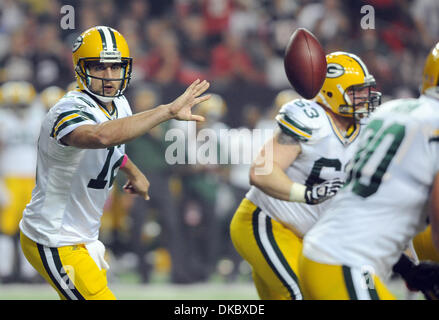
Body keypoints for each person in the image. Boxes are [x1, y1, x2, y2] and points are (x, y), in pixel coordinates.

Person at [19, 26, 210, 300]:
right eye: (99, 67)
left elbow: (112, 149)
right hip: (54, 238)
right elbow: (101, 136)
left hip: (81, 237)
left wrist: (133, 171)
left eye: (116, 67)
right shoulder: (67, 109)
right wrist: (166, 111)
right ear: (80, 69)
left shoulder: (119, 103)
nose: (109, 76)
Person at [230, 52, 381, 300]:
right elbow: (261, 171)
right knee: (303, 293)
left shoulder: (368, 128)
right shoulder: (311, 119)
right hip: (267, 223)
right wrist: (308, 194)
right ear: (331, 92)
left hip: (311, 237)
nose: (365, 98)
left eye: (367, 90)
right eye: (357, 91)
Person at [298, 42, 439, 300]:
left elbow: (370, 204)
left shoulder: (389, 112)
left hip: (328, 255)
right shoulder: (433, 125)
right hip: (344, 262)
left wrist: (409, 270)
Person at [0, 81, 42, 283]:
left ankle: (29, 271)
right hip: (9, 178)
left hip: (32, 179)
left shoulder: (37, 118)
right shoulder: (3, 120)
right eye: (15, 105)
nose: (19, 109)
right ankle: (5, 270)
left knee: (31, 227)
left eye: (23, 104)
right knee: (6, 228)